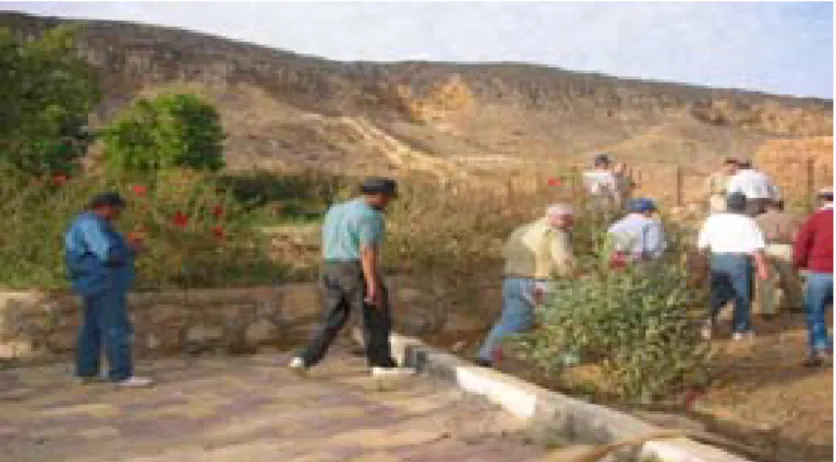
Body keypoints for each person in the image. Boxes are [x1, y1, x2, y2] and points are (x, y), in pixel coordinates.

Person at [289, 178, 411, 377]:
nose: (388, 203)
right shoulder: (371, 216)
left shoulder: (335, 210)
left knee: (332, 319)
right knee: (375, 316)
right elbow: (367, 251)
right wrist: (372, 285)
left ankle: (303, 359)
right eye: (388, 199)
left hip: (330, 266)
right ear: (380, 196)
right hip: (353, 269)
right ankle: (382, 365)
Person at [64, 192, 152, 387]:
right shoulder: (91, 224)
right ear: (106, 207)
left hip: (92, 282)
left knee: (92, 328)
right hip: (103, 283)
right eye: (117, 209)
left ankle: (86, 371)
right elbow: (107, 253)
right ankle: (121, 374)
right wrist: (131, 248)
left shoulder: (86, 223)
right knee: (115, 327)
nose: (119, 214)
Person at [476, 204, 576, 367]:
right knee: (561, 319)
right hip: (539, 283)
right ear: (563, 219)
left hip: (512, 281)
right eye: (570, 221)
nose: (570, 225)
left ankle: (486, 355)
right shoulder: (555, 233)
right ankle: (567, 361)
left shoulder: (521, 230)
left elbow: (504, 253)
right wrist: (575, 279)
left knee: (510, 322)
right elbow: (564, 263)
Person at [697, 193, 770, 340]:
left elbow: (702, 246)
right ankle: (740, 329)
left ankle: (708, 320)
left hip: (718, 260)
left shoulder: (713, 220)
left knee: (719, 293)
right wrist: (762, 267)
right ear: (744, 206)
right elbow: (756, 247)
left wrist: (703, 265)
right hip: (739, 261)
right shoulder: (748, 222)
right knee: (742, 295)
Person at [794, 188, 834, 367]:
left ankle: (818, 349)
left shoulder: (815, 219)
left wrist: (800, 263)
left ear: (822, 200)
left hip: (820, 271)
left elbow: (802, 244)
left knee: (815, 312)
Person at [754, 200, 804, 318]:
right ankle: (796, 304)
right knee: (790, 278)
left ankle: (768, 310)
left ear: (767, 206)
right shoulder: (791, 218)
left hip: (765, 248)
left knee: (766, 280)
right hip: (785, 247)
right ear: (782, 206)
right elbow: (797, 237)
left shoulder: (757, 219)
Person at [607, 198, 667, 264]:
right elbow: (651, 250)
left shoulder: (615, 226)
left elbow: (608, 248)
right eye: (651, 212)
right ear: (646, 212)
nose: (652, 215)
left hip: (613, 263)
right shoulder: (652, 224)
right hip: (642, 264)